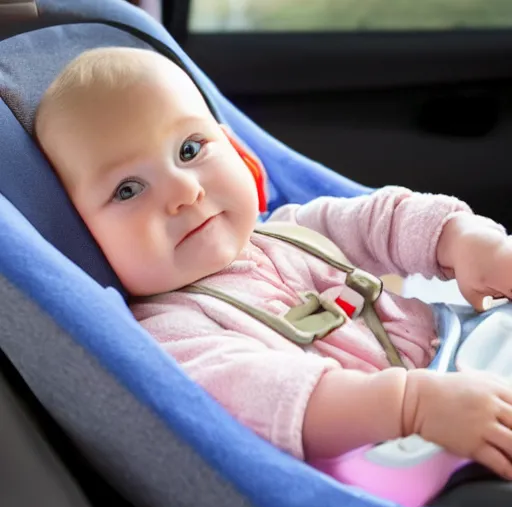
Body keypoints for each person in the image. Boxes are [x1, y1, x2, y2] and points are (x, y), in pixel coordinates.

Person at [34, 46, 512, 480]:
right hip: (396, 460)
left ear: (241, 155)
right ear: (86, 239)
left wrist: (467, 244)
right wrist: (412, 405)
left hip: (464, 360)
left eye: (189, 149)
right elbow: (272, 397)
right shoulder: (171, 334)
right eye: (128, 189)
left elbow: (381, 219)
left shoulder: (295, 230)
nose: (184, 192)